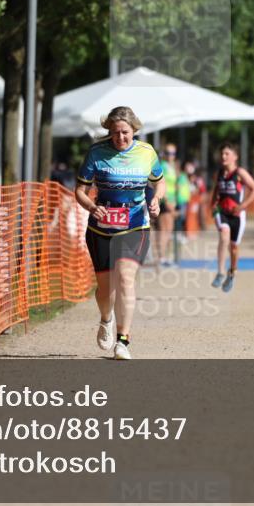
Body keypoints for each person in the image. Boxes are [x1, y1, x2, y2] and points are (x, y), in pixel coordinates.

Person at [75, 106, 164, 360]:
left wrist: (157, 198)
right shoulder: (96, 152)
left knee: (125, 278)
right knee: (105, 289)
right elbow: (79, 190)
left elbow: (159, 181)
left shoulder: (146, 152)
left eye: (125, 132)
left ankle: (123, 341)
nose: (120, 138)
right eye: (115, 133)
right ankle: (106, 318)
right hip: (101, 228)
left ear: (134, 130)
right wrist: (92, 207)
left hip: (135, 224)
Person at [210, 142, 254, 293]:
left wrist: (243, 205)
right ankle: (219, 272)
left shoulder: (240, 173)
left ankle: (231, 273)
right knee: (224, 236)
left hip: (237, 215)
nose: (223, 156)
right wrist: (213, 205)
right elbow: (216, 191)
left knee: (234, 247)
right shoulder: (219, 173)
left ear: (235, 157)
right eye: (222, 154)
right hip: (222, 212)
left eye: (227, 154)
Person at [155, 143, 179, 266]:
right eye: (168, 153)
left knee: (169, 230)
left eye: (173, 153)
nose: (171, 156)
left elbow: (174, 185)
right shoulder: (162, 166)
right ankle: (161, 257)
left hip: (172, 201)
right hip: (165, 201)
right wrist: (167, 201)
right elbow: (159, 184)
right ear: (164, 154)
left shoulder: (172, 167)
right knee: (164, 230)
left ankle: (165, 256)